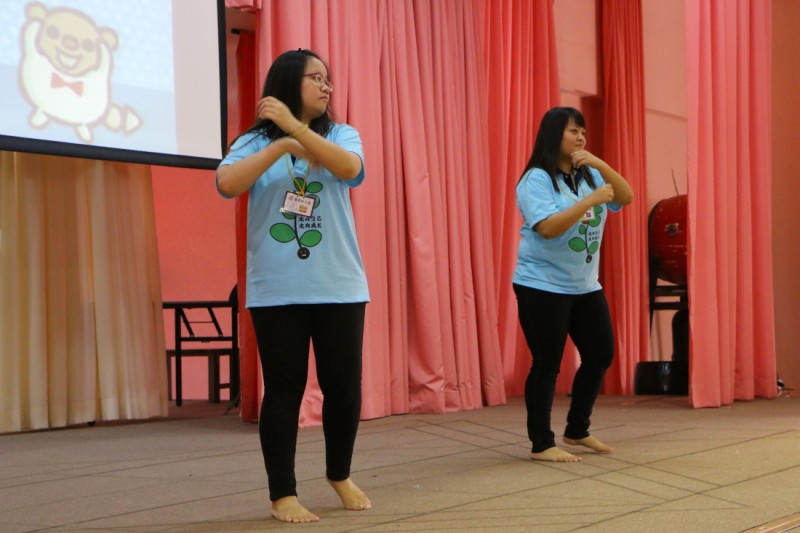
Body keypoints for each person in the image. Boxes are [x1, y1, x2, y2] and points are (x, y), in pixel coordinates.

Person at [216, 49, 371, 523]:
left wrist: (297, 131)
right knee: (284, 389)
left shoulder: (341, 135)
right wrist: (279, 145)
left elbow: (349, 170)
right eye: (315, 78)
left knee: (343, 387)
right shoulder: (253, 142)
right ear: (288, 83)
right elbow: (227, 184)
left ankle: (339, 474)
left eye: (328, 79)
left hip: (338, 284)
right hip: (277, 287)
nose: (326, 87)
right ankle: (282, 493)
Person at [513, 106, 633, 463]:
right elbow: (547, 228)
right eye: (572, 131)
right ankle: (542, 444)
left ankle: (577, 429)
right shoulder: (535, 179)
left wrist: (598, 163)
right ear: (554, 135)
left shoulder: (588, 174)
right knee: (547, 363)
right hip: (541, 284)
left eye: (583, 131)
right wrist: (589, 201)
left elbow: (624, 196)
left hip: (584, 285)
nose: (580, 137)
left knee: (600, 354)